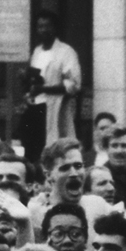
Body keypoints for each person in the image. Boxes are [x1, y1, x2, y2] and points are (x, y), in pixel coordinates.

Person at [26, 8, 82, 151]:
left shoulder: (66, 52)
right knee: (34, 148)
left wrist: (43, 89)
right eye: (40, 26)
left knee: (54, 147)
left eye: (47, 26)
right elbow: (37, 78)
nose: (43, 30)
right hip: (35, 107)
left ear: (55, 28)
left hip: (55, 108)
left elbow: (73, 85)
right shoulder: (37, 51)